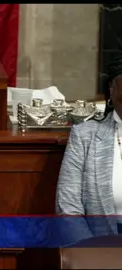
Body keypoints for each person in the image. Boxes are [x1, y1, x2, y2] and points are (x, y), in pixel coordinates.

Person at [56, 54, 122, 244]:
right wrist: (92, 254)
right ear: (111, 92)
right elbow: (68, 208)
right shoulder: (85, 136)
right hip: (99, 249)